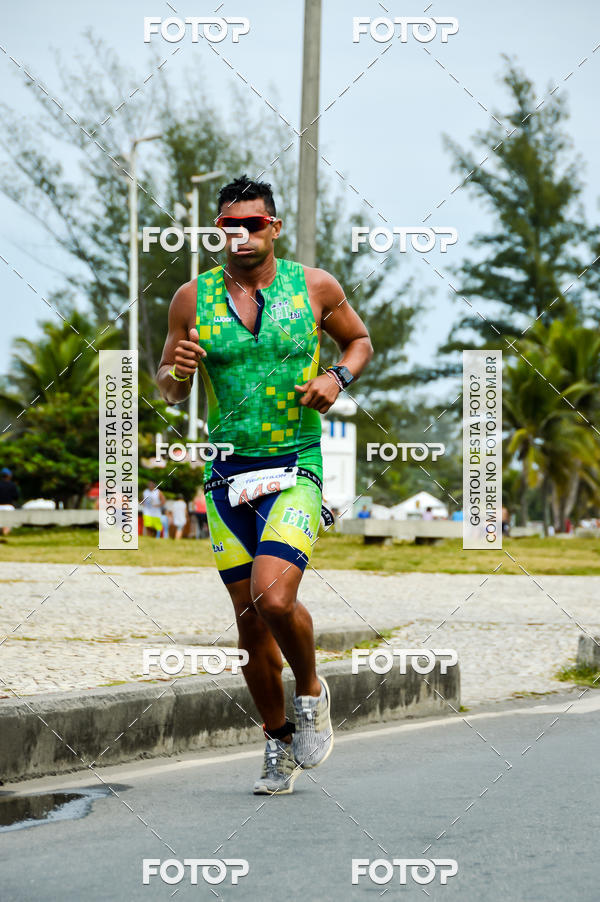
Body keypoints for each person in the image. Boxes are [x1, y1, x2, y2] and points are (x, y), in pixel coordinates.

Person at [157, 175, 373, 794]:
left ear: (273, 227)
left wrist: (337, 378)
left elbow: (359, 341)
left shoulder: (315, 287)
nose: (240, 235)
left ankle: (310, 691)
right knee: (249, 619)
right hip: (226, 474)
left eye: (252, 224)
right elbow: (169, 389)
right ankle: (276, 743)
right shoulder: (190, 300)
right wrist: (177, 372)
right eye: (228, 225)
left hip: (295, 464)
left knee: (274, 599)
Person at [0, 467, 19, 536]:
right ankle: (5, 532)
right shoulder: (12, 485)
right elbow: (16, 497)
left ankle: (3, 531)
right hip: (9, 507)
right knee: (8, 523)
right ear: (9, 475)